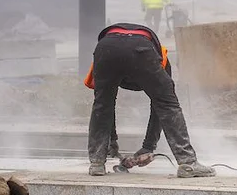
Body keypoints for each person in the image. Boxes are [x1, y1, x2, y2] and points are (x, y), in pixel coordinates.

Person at [84, 23, 215, 177]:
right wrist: (148, 146)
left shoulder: (153, 60)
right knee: (168, 105)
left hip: (106, 48)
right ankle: (188, 163)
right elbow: (161, 108)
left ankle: (97, 164)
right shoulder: (161, 61)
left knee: (102, 104)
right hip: (140, 48)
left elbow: (105, 107)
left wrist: (144, 146)